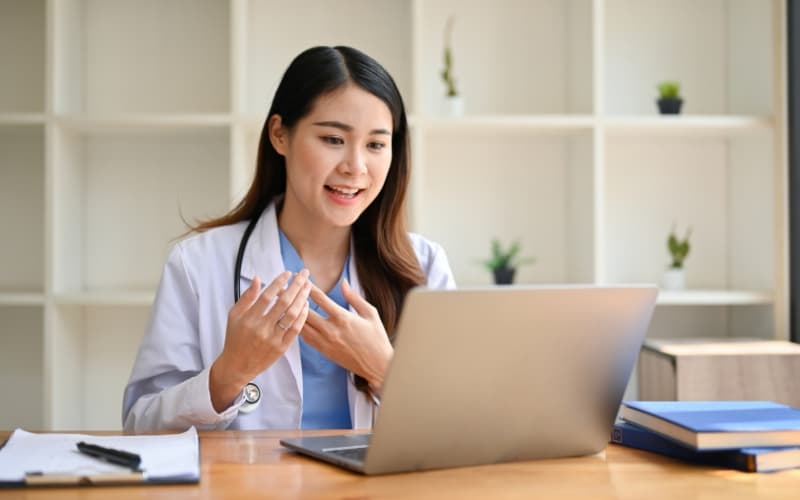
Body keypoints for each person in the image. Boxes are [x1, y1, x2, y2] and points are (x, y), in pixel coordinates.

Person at [122, 46, 456, 431]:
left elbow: (460, 431)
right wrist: (229, 373)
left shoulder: (425, 267)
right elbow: (140, 425)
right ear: (280, 134)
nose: (355, 167)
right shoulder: (198, 264)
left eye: (376, 145)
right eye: (333, 139)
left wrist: (383, 369)